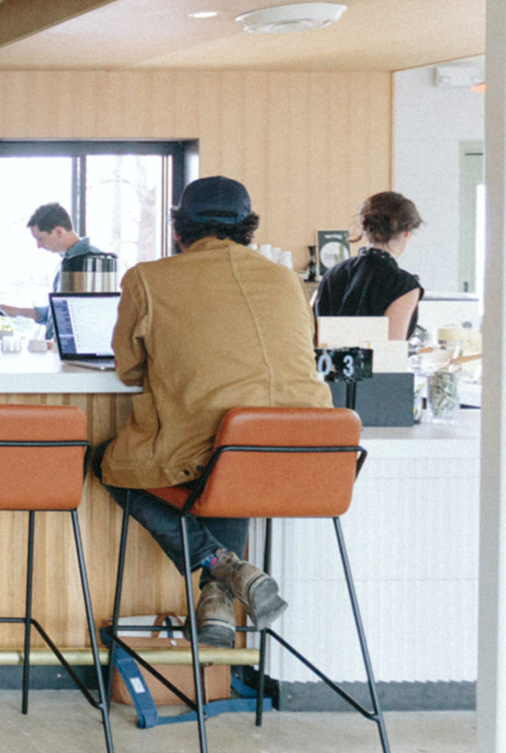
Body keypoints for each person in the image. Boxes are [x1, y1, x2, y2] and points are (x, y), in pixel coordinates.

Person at [93, 177, 331, 648]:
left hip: (220, 454)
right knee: (232, 460)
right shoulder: (286, 279)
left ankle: (220, 564)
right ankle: (217, 605)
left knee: (108, 464)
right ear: (247, 229)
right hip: (313, 458)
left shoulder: (147, 278)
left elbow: (128, 369)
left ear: (179, 228)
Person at [313, 191, 423, 341]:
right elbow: (390, 351)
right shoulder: (403, 285)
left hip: (324, 363)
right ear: (406, 233)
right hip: (372, 364)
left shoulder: (332, 274)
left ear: (364, 228)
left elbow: (312, 335)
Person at [0, 203, 100, 327]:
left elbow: (90, 317)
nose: (39, 246)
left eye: (41, 239)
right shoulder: (65, 262)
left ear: (59, 231)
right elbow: (56, 314)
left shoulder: (94, 261)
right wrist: (14, 311)